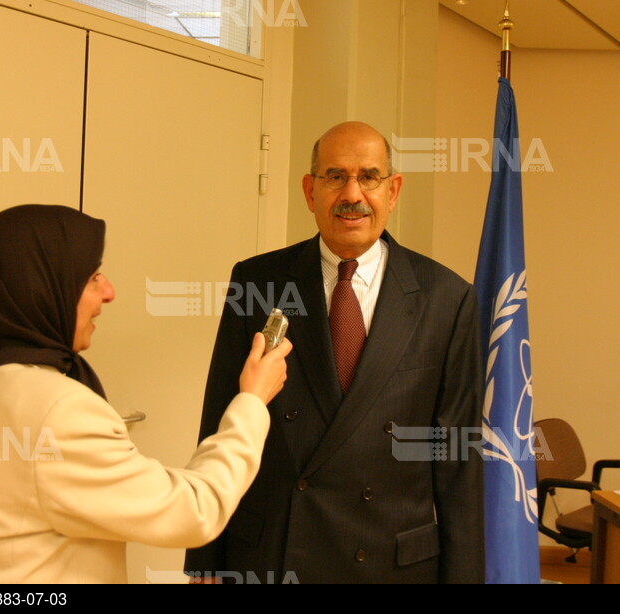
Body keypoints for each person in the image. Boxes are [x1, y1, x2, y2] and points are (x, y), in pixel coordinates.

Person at [0, 204, 291, 584]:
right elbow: (194, 510)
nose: (109, 292)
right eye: (91, 277)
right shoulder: (55, 410)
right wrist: (251, 403)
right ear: (39, 287)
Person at [184, 122, 485, 584]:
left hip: (392, 560)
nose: (352, 193)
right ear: (310, 190)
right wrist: (204, 557)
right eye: (334, 176)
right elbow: (220, 415)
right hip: (275, 552)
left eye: (369, 176)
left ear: (393, 190)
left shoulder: (446, 297)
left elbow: (458, 460)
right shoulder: (257, 281)